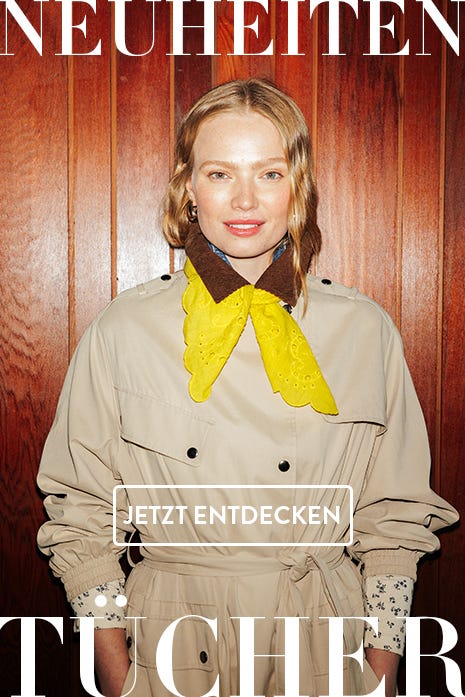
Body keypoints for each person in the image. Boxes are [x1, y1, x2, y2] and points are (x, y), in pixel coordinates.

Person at [37, 78, 458, 697]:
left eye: (269, 173)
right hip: (174, 646)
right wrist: (118, 676)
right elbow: (80, 515)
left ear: (298, 186)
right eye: (219, 174)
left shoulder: (364, 330)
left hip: (323, 641)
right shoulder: (124, 329)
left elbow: (393, 520)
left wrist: (379, 671)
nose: (244, 199)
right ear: (188, 189)